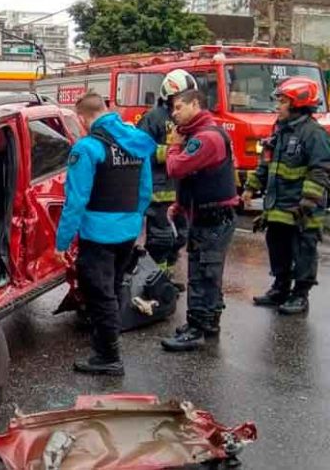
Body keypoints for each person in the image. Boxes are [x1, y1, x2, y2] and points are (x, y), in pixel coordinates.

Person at [56, 92, 155, 375]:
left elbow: (76, 201)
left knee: (100, 295)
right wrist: (133, 220)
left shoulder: (87, 148)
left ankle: (108, 357)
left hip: (98, 234)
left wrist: (62, 242)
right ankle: (106, 345)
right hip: (126, 231)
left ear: (83, 117)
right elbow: (145, 190)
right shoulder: (135, 141)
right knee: (112, 289)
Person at [243, 77, 330, 314]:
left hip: (302, 208)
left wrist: (306, 203)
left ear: (298, 104)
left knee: (303, 249)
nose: (277, 106)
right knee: (278, 245)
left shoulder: (314, 134)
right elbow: (266, 163)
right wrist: (251, 187)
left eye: (282, 101)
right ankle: (280, 287)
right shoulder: (279, 130)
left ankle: (300, 295)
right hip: (278, 205)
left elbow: (320, 171)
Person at [161, 89, 238, 352]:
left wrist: (173, 144)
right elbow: (195, 178)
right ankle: (207, 322)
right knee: (208, 271)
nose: (174, 113)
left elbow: (176, 168)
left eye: (179, 106)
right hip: (206, 214)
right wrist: (180, 205)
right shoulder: (199, 135)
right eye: (173, 108)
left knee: (203, 273)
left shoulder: (205, 138)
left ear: (197, 104)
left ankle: (197, 329)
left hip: (212, 218)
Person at [136, 69, 195, 281]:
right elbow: (140, 151)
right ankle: (157, 280)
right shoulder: (152, 119)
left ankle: (166, 277)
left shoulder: (188, 119)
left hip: (182, 189)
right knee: (161, 239)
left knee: (181, 236)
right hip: (159, 191)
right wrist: (171, 152)